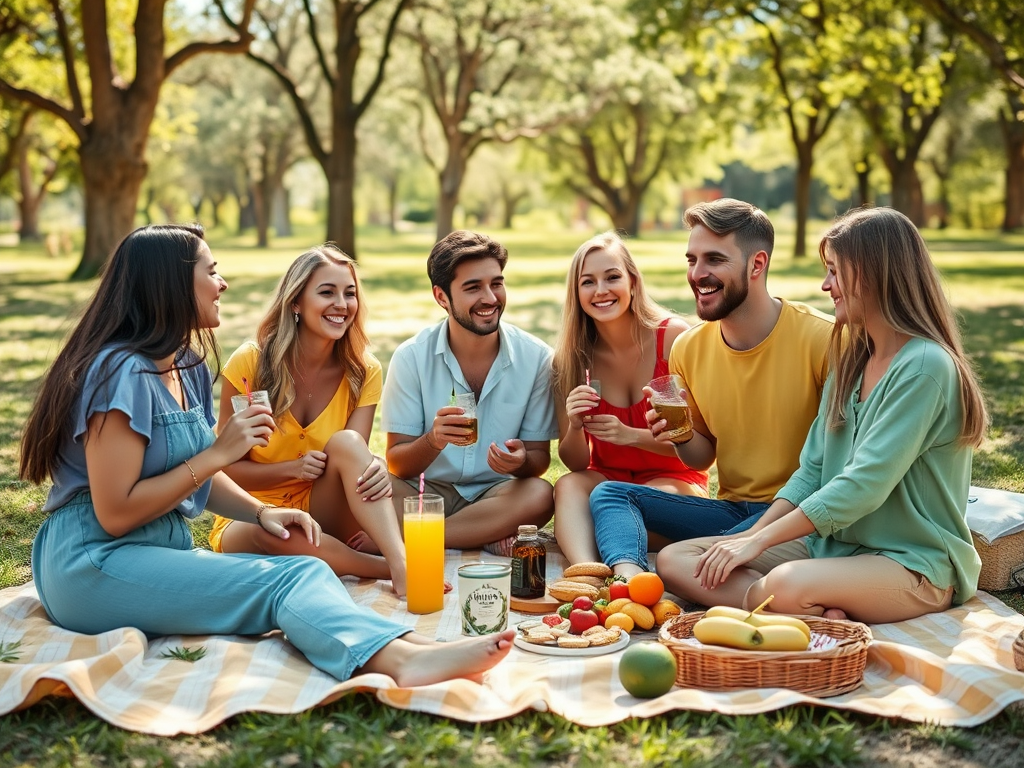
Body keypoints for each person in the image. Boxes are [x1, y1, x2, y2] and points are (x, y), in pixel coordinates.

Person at [19, 224, 515, 687]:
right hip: (92, 561)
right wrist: (219, 453)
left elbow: (194, 477)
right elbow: (116, 511)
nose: (223, 283)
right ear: (170, 284)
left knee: (308, 568)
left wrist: (262, 511)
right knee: (291, 578)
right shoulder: (120, 373)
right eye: (210, 272)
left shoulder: (186, 365)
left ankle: (405, 644)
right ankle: (403, 660)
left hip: (155, 550)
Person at [658, 207, 988, 623]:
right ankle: (806, 613)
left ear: (874, 273)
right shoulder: (853, 359)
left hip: (911, 563)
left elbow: (862, 485)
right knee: (678, 558)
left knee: (783, 585)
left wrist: (757, 545)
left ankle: (782, 606)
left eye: (835, 271)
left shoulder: (924, 367)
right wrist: (749, 537)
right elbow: (812, 470)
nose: (825, 284)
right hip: (833, 545)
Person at [589, 199, 834, 577]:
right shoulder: (689, 347)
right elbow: (702, 458)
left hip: (799, 516)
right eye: (692, 260)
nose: (697, 274)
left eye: (714, 260)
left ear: (757, 264)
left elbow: (838, 466)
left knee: (688, 561)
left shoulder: (823, 339)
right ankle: (628, 583)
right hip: (734, 508)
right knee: (610, 493)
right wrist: (681, 434)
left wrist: (753, 535)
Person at [208, 245, 408, 596]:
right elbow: (223, 468)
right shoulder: (250, 365)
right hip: (253, 512)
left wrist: (371, 464)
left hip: (324, 510)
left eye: (350, 294)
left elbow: (351, 455)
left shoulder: (364, 370)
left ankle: (398, 560)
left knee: (348, 443)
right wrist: (291, 469)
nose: (342, 305)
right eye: (327, 292)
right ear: (295, 302)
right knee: (274, 534)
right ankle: (385, 568)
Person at [380, 230, 558, 553]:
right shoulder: (411, 358)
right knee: (367, 483)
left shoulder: (536, 358)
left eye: (497, 283)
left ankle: (415, 537)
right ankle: (477, 535)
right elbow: (397, 464)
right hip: (425, 495)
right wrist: (433, 440)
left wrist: (519, 462)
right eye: (473, 287)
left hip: (496, 497)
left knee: (541, 495)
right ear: (441, 297)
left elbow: (538, 459)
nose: (490, 298)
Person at [551, 232, 708, 565]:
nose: (601, 290)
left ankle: (611, 546)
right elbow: (576, 464)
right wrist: (576, 427)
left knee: (611, 511)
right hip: (606, 481)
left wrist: (631, 436)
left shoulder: (673, 339)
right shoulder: (570, 359)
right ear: (576, 293)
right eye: (588, 282)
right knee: (567, 487)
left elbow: (701, 448)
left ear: (633, 282)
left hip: (674, 480)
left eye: (612, 277)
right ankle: (586, 571)